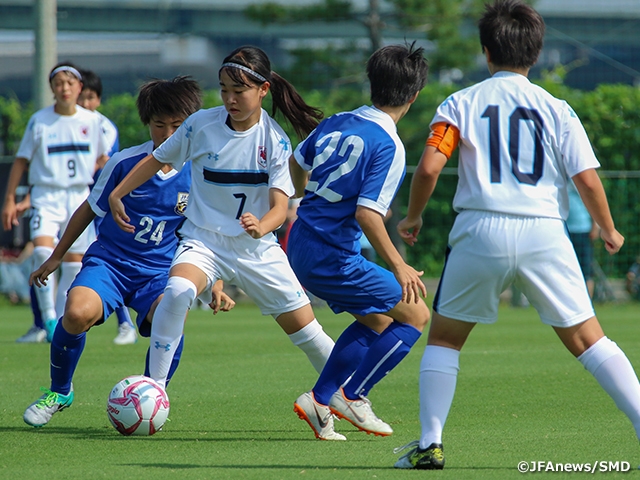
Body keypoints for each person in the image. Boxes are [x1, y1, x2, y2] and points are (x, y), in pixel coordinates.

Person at [394, 0, 640, 469]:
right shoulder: (558, 108)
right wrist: (608, 228)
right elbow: (586, 178)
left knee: (445, 340)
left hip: (480, 229)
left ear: (486, 52)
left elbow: (429, 166)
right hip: (545, 231)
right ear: (536, 52)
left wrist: (412, 217)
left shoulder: (460, 103)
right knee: (590, 341)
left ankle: (430, 445)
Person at [108, 46, 335, 394]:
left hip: (256, 249)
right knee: (178, 290)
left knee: (308, 333)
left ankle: (345, 395)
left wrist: (263, 225)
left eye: (239, 90)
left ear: (263, 90)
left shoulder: (274, 141)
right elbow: (155, 159)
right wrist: (117, 193)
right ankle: (154, 389)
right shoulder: (200, 125)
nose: (230, 98)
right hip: (203, 241)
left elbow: (279, 207)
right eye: (224, 88)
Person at [23, 76, 234, 428]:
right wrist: (57, 255)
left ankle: (153, 394)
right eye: (159, 125)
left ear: (191, 126)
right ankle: (60, 392)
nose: (168, 134)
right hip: (110, 264)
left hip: (160, 272)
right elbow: (88, 208)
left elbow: (212, 229)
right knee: (75, 313)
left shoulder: (199, 173)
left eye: (178, 126)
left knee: (171, 313)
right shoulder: (124, 162)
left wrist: (215, 281)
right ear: (147, 124)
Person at [288, 43, 431, 441]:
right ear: (414, 95)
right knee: (417, 315)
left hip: (299, 242)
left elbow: (297, 161)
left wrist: (300, 200)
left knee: (380, 318)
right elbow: (367, 215)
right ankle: (353, 395)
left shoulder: (336, 121)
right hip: (331, 256)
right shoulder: (390, 144)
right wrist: (399, 265)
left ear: (373, 83)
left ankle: (319, 400)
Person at [2, 62, 110, 343]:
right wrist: (11, 198)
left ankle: (61, 321)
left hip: (78, 195)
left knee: (75, 262)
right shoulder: (40, 120)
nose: (64, 88)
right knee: (41, 251)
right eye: (58, 83)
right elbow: (22, 161)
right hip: (46, 194)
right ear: (52, 88)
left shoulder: (93, 121)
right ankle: (48, 318)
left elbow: (103, 158)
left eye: (69, 83)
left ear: (79, 88)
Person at [78, 68, 137, 345]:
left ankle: (126, 324)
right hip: (75, 198)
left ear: (98, 100)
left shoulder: (103, 126)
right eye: (82, 97)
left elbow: (104, 162)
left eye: (90, 97)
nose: (85, 103)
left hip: (100, 201)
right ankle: (46, 321)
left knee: (108, 260)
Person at [567, 180, 598, 297]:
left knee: (586, 269)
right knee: (566, 269)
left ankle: (587, 304)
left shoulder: (578, 177)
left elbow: (592, 197)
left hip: (582, 228)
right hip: (563, 228)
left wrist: (595, 224)